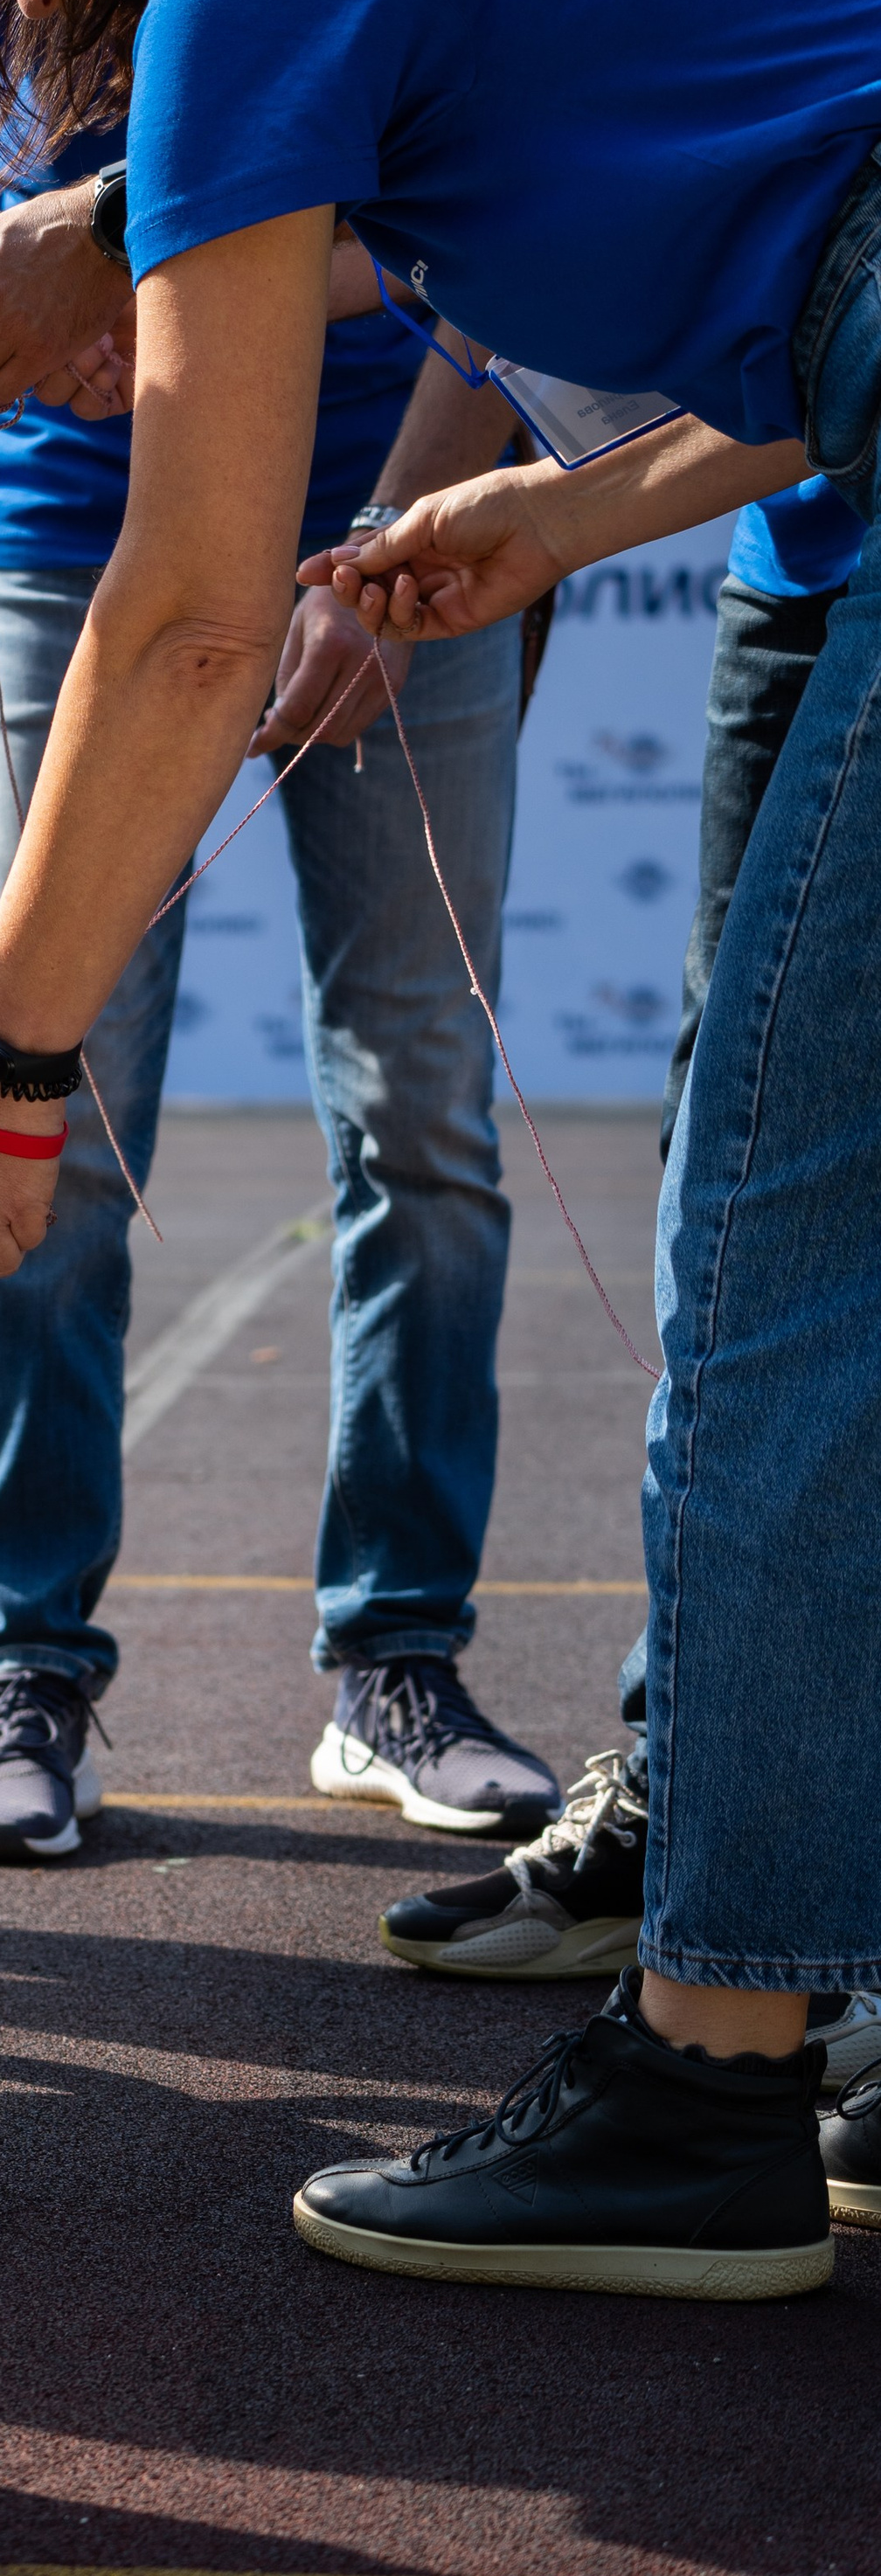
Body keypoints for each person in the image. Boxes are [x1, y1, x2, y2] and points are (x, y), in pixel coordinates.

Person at [0, 0, 881, 2299]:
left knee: (784, 1276)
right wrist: (555, 519)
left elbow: (195, 614)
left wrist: (6, 1067)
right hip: (807, 447)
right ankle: (766, 1933)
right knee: (813, 1268)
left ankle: (708, 2084)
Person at [0, 0, 558, 1864]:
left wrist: (392, 537)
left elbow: (476, 209)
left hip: (400, 521)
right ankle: (22, 1672)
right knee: (43, 1107)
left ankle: (396, 1661)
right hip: (76, 553)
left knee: (418, 1110)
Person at [376, 475, 881, 2113]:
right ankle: (714, 1835)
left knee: (786, 1235)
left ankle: (743, 2012)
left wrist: (1, 1068)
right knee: (731, 1205)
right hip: (793, 567)